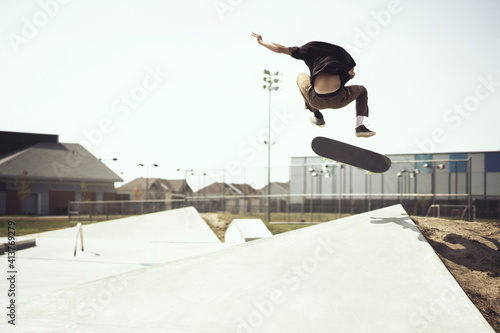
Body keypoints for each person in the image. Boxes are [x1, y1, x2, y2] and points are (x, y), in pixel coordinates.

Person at [252, 32, 376, 138]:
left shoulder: (307, 50)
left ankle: (317, 117)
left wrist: (261, 42)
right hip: (340, 99)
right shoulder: (341, 53)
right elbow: (351, 72)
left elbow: (279, 49)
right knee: (362, 90)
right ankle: (359, 126)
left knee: (301, 76)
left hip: (316, 101)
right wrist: (347, 75)